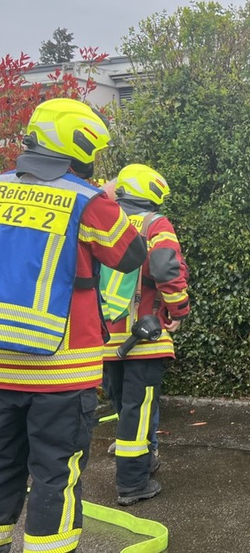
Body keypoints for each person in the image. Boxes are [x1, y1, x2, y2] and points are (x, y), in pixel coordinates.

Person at [0, 99, 147, 553]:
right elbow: (130, 255)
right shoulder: (87, 201)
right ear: (78, 147)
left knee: (3, 469)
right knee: (54, 474)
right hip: (61, 371)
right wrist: (103, 197)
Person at [100, 163, 190, 506]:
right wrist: (179, 310)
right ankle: (133, 483)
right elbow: (167, 266)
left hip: (105, 339)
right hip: (143, 339)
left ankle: (142, 459)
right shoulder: (155, 224)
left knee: (123, 405)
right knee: (139, 413)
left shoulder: (103, 221)